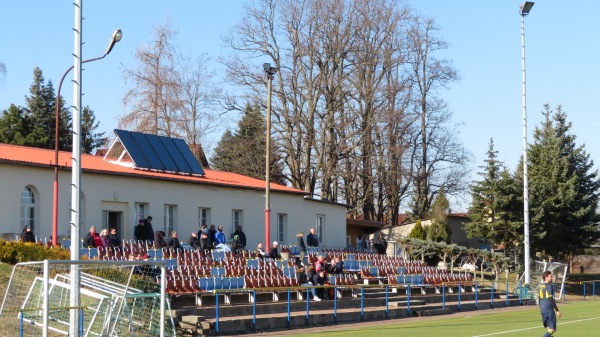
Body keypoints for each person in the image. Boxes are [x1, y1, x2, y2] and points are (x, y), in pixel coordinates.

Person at [539, 271, 561, 337]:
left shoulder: (540, 286)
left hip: (543, 309)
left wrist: (541, 311)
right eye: (550, 276)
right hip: (549, 309)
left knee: (549, 328)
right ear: (546, 277)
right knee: (553, 329)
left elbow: (539, 299)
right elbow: (551, 299)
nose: (552, 278)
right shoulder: (548, 286)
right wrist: (557, 310)